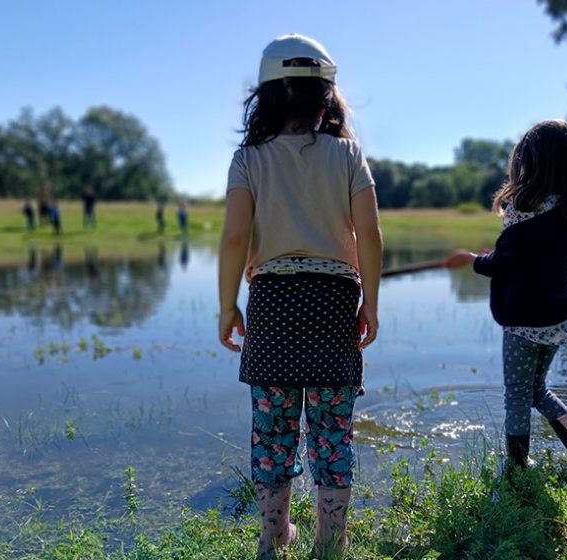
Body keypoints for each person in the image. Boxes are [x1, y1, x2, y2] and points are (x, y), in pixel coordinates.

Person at [218, 33, 382, 560]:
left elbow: (233, 239)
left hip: (271, 306)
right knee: (332, 433)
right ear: (326, 99)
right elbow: (370, 236)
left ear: (265, 98)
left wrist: (227, 305)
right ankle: (329, 544)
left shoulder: (249, 160)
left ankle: (272, 539)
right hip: (334, 304)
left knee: (273, 432)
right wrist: (370, 303)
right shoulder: (349, 154)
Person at [445, 119, 567, 476]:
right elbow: (524, 255)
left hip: (525, 322)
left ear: (529, 161)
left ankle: (517, 466)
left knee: (518, 395)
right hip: (557, 317)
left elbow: (503, 264)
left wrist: (471, 261)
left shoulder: (523, 204)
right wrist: (503, 253)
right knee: (538, 391)